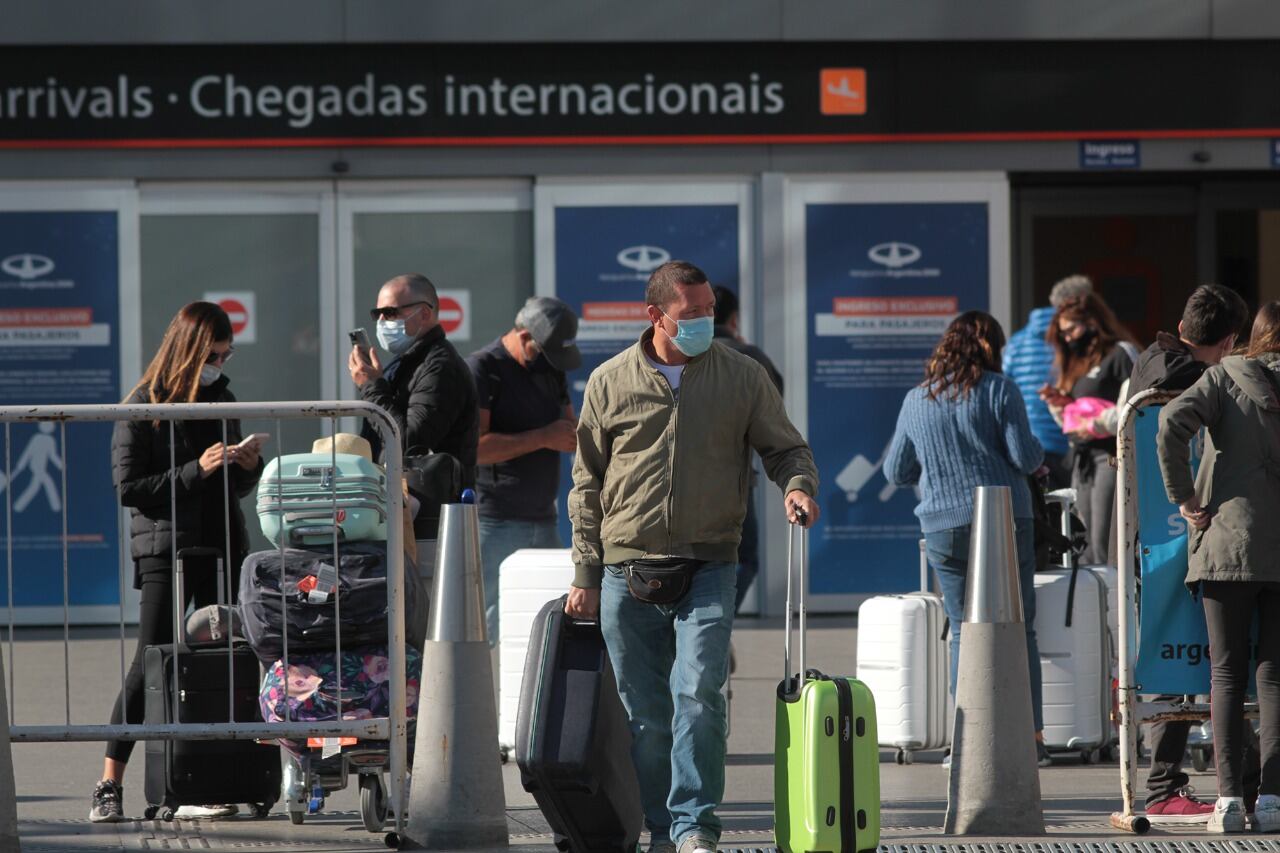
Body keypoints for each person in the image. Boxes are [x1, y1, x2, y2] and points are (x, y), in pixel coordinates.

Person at [566, 261, 819, 853]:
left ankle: (694, 828)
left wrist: (798, 484)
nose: (706, 320)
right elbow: (586, 485)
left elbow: (786, 448)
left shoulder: (742, 375)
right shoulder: (608, 382)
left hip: (710, 563)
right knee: (647, 716)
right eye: (692, 313)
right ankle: (663, 828)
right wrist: (585, 570)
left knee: (700, 694)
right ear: (655, 316)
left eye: (709, 309)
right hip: (624, 570)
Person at [91, 302, 264, 823]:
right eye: (213, 353)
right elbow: (130, 488)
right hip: (166, 550)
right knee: (151, 661)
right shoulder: (143, 404)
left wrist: (246, 468)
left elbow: (229, 488)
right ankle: (108, 782)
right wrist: (198, 467)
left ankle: (209, 779)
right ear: (188, 349)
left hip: (221, 546)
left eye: (226, 353)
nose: (220, 361)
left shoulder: (222, 399)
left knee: (221, 661)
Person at [884, 310, 1049, 766]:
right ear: (992, 348)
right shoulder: (1000, 391)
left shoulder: (917, 399)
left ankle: (967, 738)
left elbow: (897, 471)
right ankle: (1031, 737)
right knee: (1019, 629)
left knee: (962, 631)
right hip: (1004, 522)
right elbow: (1024, 454)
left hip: (943, 526)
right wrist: (1040, 459)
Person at [1121, 284, 1251, 824]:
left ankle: (1201, 778)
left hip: (1154, 532)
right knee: (1194, 652)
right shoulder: (1190, 378)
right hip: (1178, 530)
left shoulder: (1151, 360)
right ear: (1226, 340)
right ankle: (1166, 783)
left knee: (1188, 652)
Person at [1156, 301, 1280, 834]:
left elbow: (1168, 423)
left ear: (1251, 336)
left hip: (1227, 541)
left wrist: (1184, 497)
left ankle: (1229, 801)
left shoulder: (1223, 377)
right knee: (1274, 676)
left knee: (1226, 674)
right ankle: (1273, 800)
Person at [467, 296, 581, 645]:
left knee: (548, 611)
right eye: (544, 352)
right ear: (523, 335)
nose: (549, 363)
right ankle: (485, 697)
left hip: (544, 518)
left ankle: (529, 692)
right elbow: (475, 449)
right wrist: (543, 437)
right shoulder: (483, 369)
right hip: (495, 519)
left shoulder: (550, 368)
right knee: (487, 617)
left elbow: (569, 426)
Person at [349, 273, 479, 488]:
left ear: (424, 314)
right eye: (377, 314)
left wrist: (370, 386)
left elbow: (409, 447)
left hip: (434, 510)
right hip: (403, 504)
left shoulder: (441, 367)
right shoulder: (405, 362)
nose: (381, 322)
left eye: (390, 313)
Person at [1039, 291, 1139, 565]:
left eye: (1072, 330)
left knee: (1105, 543)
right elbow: (1073, 423)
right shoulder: (1076, 363)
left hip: (1111, 457)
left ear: (1093, 322)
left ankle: (1116, 606)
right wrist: (1061, 406)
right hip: (1082, 462)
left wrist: (1094, 424)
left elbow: (1133, 408)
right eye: (1064, 334)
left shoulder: (1121, 354)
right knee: (1085, 546)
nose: (1069, 338)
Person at [711, 285, 783, 612]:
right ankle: (718, 625)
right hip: (735, 482)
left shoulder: (672, 354)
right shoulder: (750, 357)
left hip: (675, 483)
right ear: (735, 319)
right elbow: (774, 406)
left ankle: (708, 628)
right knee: (742, 559)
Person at [1003, 274, 1093, 489]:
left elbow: (1004, 390)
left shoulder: (1016, 342)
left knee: (1044, 514)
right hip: (1071, 440)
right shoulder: (1076, 340)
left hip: (1031, 444)